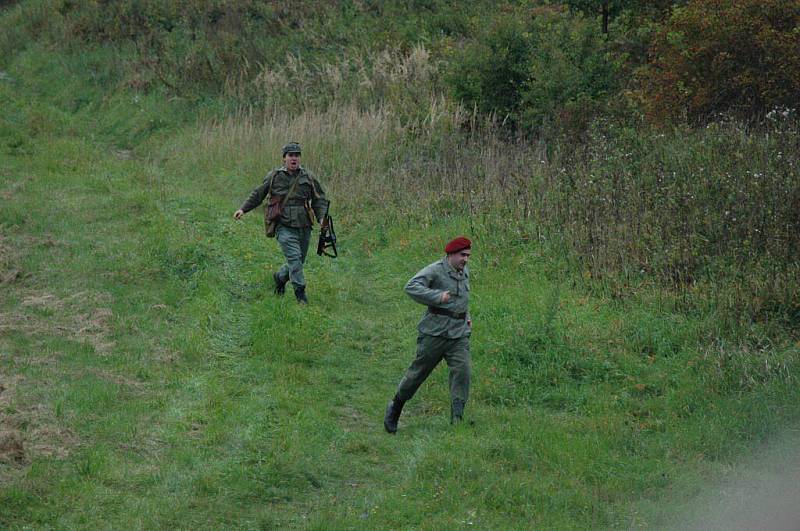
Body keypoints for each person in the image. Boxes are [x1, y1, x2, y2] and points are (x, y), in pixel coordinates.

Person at [384, 237, 473, 433]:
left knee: (463, 372)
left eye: (467, 256)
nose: (465, 260)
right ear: (451, 254)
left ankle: (457, 419)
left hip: (458, 334)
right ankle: (396, 407)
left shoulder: (464, 271)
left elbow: (463, 297)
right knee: (418, 373)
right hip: (435, 333)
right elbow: (411, 287)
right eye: (462, 255)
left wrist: (467, 316)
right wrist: (437, 297)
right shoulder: (434, 270)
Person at [233, 142, 329, 304]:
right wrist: (243, 209)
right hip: (283, 226)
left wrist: (321, 218)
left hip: (304, 225)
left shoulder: (308, 177)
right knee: (294, 259)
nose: (294, 158)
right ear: (284, 158)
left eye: (297, 155)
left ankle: (280, 277)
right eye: (290, 155)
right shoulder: (275, 176)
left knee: (298, 261)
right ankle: (301, 296)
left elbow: (319, 200)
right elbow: (258, 194)